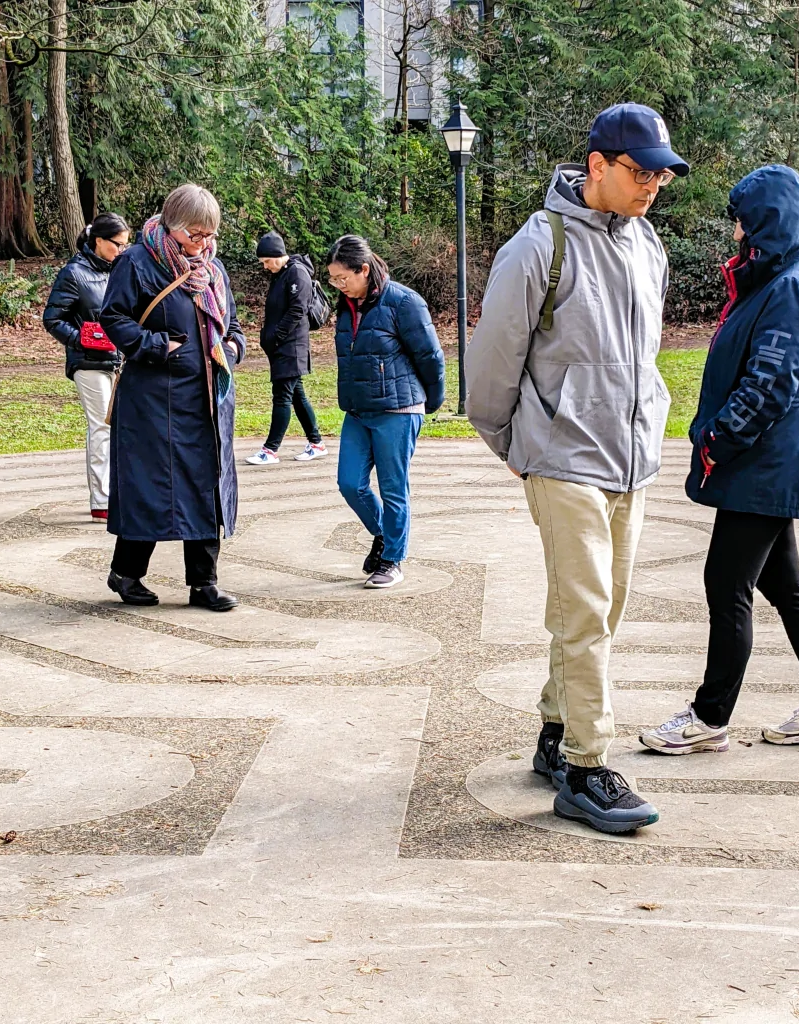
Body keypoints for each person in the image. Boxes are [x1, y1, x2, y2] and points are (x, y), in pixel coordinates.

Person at [466, 103, 690, 834]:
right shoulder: (538, 246)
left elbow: (642, 357)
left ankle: (557, 734)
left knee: (603, 609)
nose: (653, 183)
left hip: (631, 459)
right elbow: (491, 367)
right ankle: (590, 768)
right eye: (640, 170)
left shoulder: (645, 242)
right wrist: (521, 447)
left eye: (661, 172)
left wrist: (646, 425)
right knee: (586, 611)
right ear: (597, 165)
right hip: (564, 458)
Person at [639, 165, 799, 754]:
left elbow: (770, 382)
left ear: (768, 220)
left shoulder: (792, 284)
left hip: (764, 461)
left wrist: (718, 439)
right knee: (785, 584)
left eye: (744, 221)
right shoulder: (782, 275)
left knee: (726, 583)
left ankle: (709, 717)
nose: (738, 233)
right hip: (771, 459)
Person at [100, 183, 246, 612]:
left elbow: (231, 324)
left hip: (207, 399)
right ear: (171, 225)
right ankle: (126, 573)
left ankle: (204, 583)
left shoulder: (213, 270)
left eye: (209, 234)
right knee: (151, 486)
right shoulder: (137, 261)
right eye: (194, 235)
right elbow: (113, 316)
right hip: (152, 399)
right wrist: (154, 344)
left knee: (207, 487)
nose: (202, 243)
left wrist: (233, 349)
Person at [327, 234, 445, 589]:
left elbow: (431, 357)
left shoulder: (404, 302)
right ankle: (383, 534)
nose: (337, 284)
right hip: (358, 410)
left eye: (342, 278)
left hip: (399, 410)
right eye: (332, 278)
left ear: (364, 270)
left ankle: (392, 559)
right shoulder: (345, 306)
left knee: (394, 488)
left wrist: (430, 402)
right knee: (350, 483)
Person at [43, 213, 130, 520]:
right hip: (89, 363)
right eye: (117, 244)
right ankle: (102, 500)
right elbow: (52, 319)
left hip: (120, 361)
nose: (122, 249)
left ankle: (118, 493)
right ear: (98, 241)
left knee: (121, 427)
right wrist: (83, 340)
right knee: (102, 427)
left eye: (125, 244)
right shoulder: (73, 273)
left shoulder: (121, 271)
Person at [245, 230, 328, 466]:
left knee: (282, 397)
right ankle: (316, 443)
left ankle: (270, 450)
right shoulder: (280, 274)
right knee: (297, 396)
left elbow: (297, 311)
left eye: (266, 261)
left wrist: (275, 337)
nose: (265, 267)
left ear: (277, 255)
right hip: (283, 347)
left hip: (291, 347)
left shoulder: (297, 273)